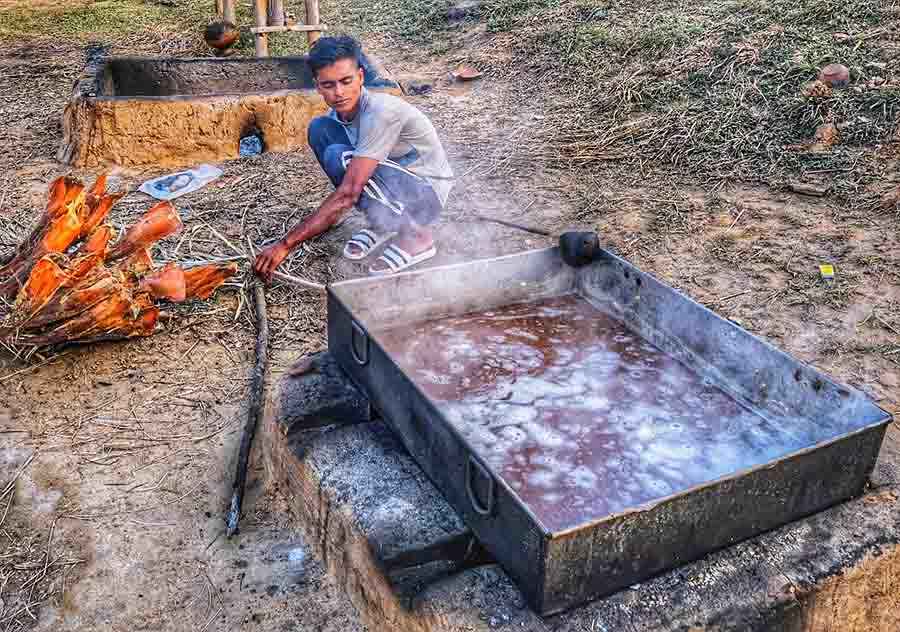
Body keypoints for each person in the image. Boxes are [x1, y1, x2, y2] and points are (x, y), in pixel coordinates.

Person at [253, 35, 454, 282]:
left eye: (346, 81)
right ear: (317, 85)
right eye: (328, 85)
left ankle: (418, 238)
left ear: (360, 77)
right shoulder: (336, 115)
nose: (339, 93)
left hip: (425, 195)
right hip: (395, 181)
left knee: (342, 158)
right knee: (321, 130)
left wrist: (285, 244)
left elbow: (348, 192)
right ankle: (382, 223)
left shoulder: (381, 113)